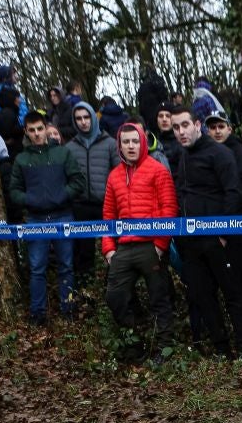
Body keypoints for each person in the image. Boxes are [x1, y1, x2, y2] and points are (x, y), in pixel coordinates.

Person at [165, 104, 242, 357]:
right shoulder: (182, 156)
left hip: (217, 239)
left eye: (185, 125)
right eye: (176, 127)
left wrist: (222, 233)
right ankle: (221, 348)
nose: (181, 132)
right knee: (203, 296)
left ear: (197, 125)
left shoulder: (220, 153)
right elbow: (181, 193)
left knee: (233, 292)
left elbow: (233, 192)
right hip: (190, 242)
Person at [103, 122, 179, 365]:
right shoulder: (114, 175)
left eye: (135, 141)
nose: (131, 146)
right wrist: (109, 248)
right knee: (115, 296)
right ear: (120, 145)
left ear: (143, 142)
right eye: (126, 142)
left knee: (160, 298)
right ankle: (133, 344)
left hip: (151, 247)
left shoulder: (158, 170)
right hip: (123, 248)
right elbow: (108, 215)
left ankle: (165, 349)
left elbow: (170, 210)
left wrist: (160, 245)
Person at [9, 110, 87, 324]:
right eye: (32, 130)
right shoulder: (22, 159)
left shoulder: (62, 153)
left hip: (63, 216)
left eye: (40, 129)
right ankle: (37, 313)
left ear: (46, 129)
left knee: (66, 266)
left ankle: (68, 308)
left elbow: (78, 182)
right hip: (35, 219)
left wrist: (61, 195)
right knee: (37, 268)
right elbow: (14, 190)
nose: (36, 134)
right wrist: (31, 199)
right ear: (26, 132)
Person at [206, 109, 242, 343]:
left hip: (241, 221)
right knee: (230, 275)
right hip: (220, 223)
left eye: (221, 126)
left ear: (229, 128)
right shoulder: (208, 153)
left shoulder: (238, 150)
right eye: (213, 127)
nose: (217, 131)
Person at [68, 101, 120, 280]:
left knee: (112, 247)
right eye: (78, 118)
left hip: (105, 204)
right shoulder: (70, 147)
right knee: (83, 250)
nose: (83, 122)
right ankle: (85, 287)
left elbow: (118, 172)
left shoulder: (110, 143)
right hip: (81, 205)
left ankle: (113, 282)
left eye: (86, 117)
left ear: (92, 117)